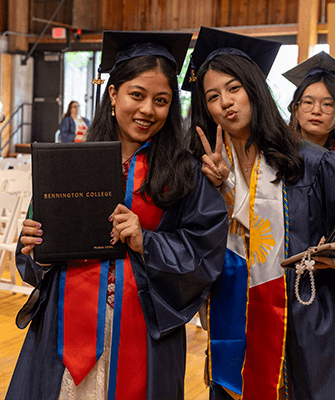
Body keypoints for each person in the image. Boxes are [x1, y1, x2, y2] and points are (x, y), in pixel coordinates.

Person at [5, 31, 228, 400]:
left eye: (161, 100)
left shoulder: (184, 172)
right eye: (136, 95)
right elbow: (36, 263)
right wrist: (34, 248)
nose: (147, 110)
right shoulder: (70, 162)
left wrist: (148, 241)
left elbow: (205, 253)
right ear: (113, 94)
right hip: (64, 333)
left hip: (143, 332)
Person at [183, 26, 335, 400]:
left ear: (254, 89)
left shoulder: (311, 163)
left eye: (234, 89)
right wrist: (215, 192)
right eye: (213, 96)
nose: (226, 103)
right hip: (231, 313)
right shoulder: (203, 168)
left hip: (301, 316)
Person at [284, 51, 335, 150]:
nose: (316, 111)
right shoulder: (278, 153)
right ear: (295, 110)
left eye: (327, 104)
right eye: (308, 102)